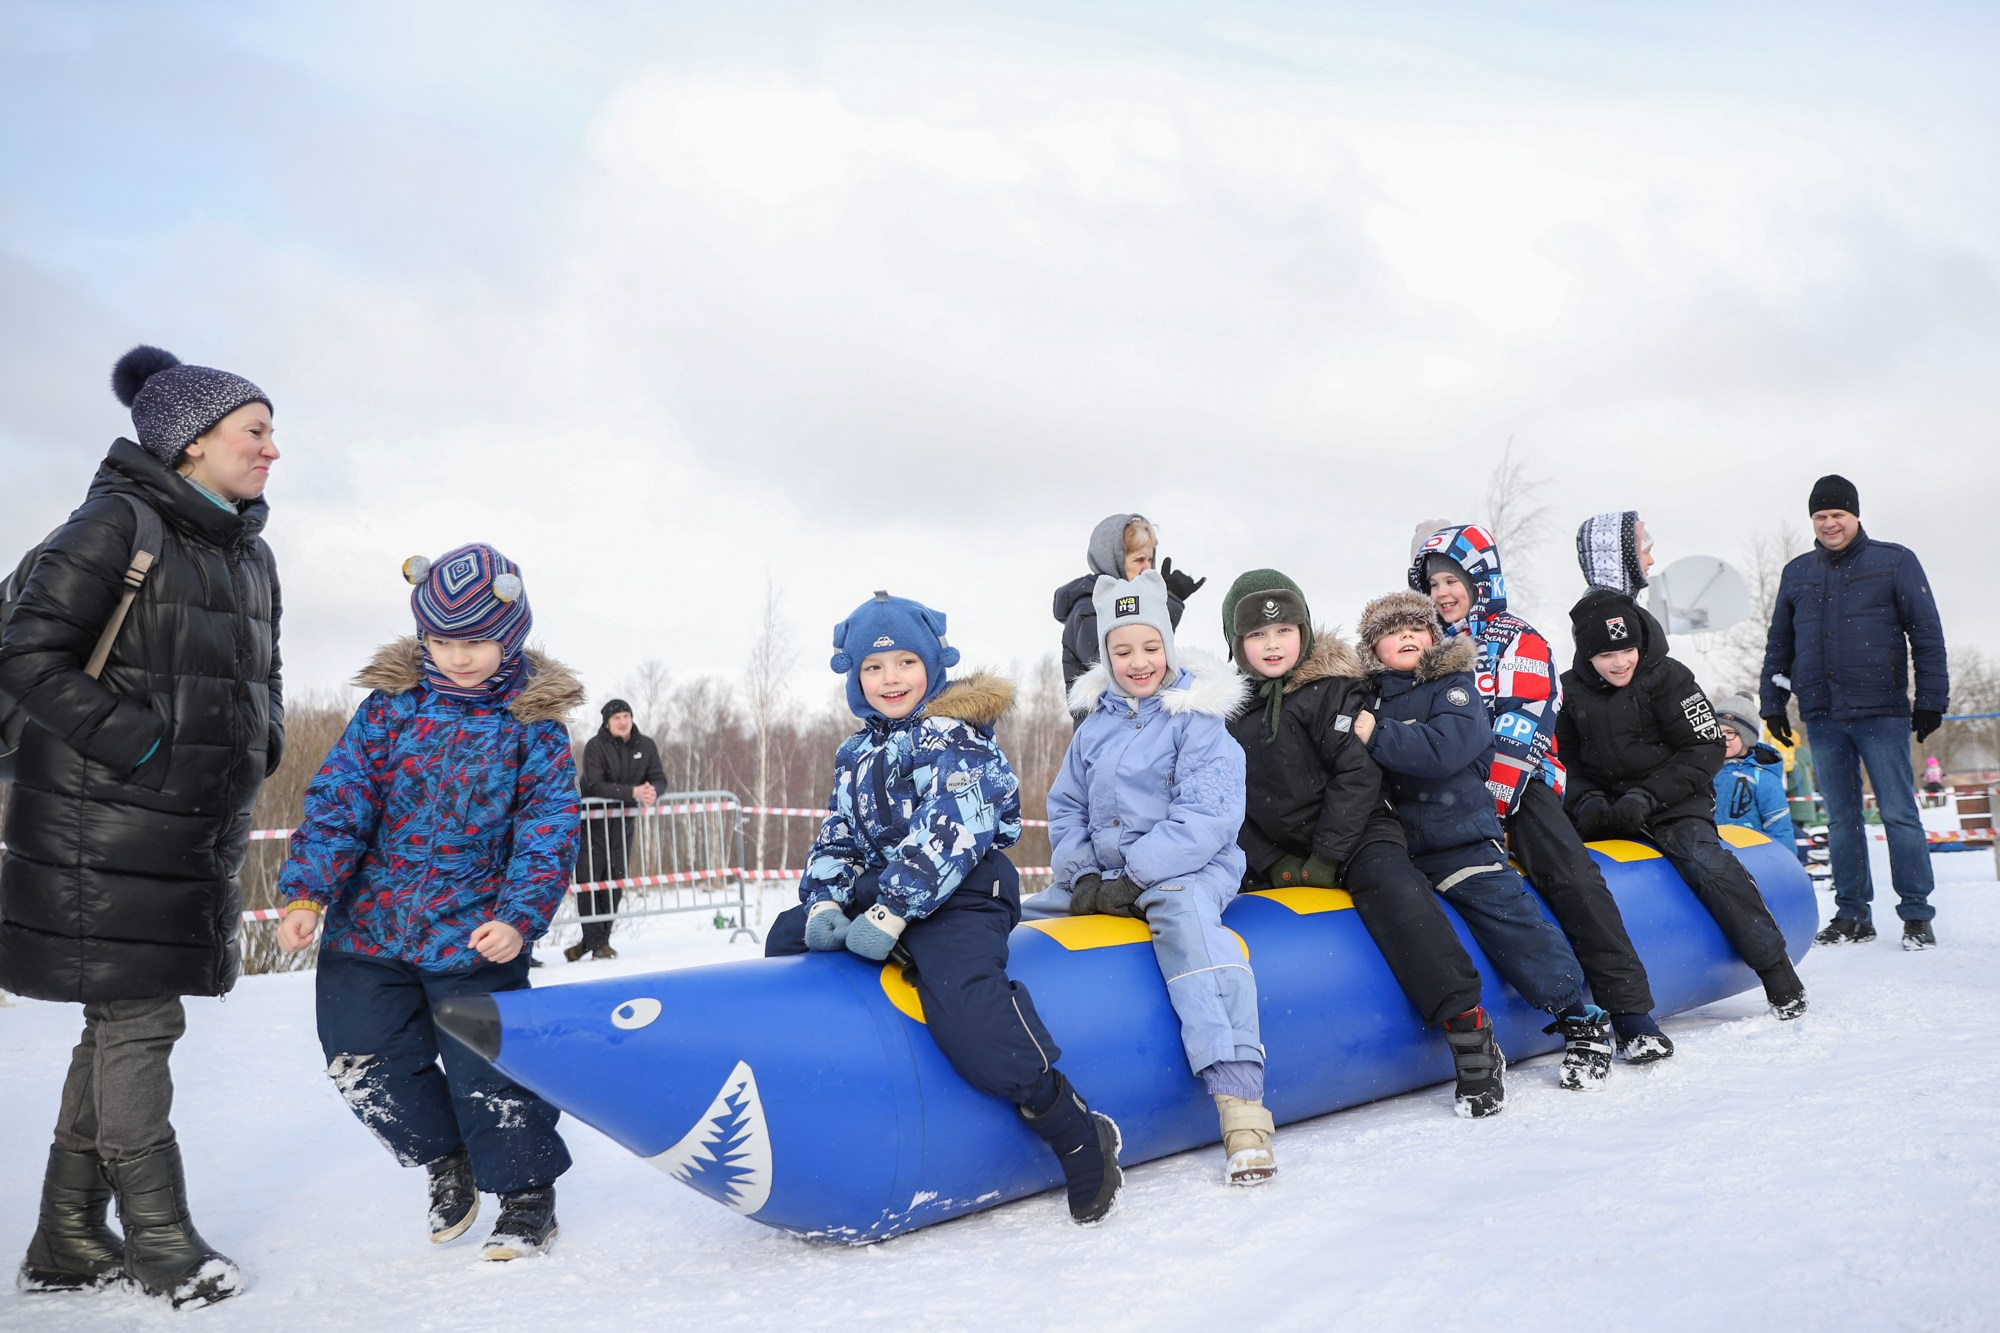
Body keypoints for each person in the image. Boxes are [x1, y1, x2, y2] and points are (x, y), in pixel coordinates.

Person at [1, 346, 282, 1308]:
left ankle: (69, 1231)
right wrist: (147, 748)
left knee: (115, 1022)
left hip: (184, 834)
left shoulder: (248, 551)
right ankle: (161, 1235)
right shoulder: (117, 522)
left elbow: (263, 675)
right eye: (255, 430)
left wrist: (264, 739)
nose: (273, 450)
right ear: (193, 440)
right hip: (101, 830)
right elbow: (26, 656)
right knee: (140, 1020)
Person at [768, 592, 1123, 1224]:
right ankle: (825, 1090)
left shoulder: (955, 735)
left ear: (932, 665)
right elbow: (839, 834)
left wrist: (894, 912)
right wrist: (824, 900)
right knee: (787, 937)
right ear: (855, 679)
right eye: (873, 669)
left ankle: (1070, 1125)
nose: (889, 679)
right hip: (888, 890)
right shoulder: (856, 754)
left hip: (962, 889)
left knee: (964, 997)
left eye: (904, 662)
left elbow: (953, 824)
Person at [274, 543, 582, 1261]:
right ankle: (450, 1159)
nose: (457, 656)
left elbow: (547, 829)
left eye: (473, 639)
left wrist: (518, 916)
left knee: (491, 1072)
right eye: (440, 640)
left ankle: (528, 1192)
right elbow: (341, 797)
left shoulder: (533, 725)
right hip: (369, 927)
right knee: (362, 1061)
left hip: (474, 932)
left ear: (508, 632)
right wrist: (307, 890)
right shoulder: (392, 707)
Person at [1220, 569, 1503, 1119]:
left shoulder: (1334, 691)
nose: (1272, 644)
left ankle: (1469, 1031)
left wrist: (1327, 854)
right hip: (1277, 854)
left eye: (1283, 631)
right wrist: (1273, 862)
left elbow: (1356, 776)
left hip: (1357, 833)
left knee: (1400, 897)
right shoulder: (1229, 717)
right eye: (1256, 635)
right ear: (1237, 645)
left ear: (1304, 632)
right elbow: (1228, 801)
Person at [1031, 570, 1277, 1181]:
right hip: (1106, 875)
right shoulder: (1094, 727)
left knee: (1190, 931)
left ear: (1168, 647)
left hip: (1186, 870)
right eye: (1122, 650)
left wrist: (1138, 876)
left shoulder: (1198, 721)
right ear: (1106, 656)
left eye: (1149, 647)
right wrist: (1084, 876)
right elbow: (1065, 807)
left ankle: (1240, 1104)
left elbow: (1209, 814)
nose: (1137, 661)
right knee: (1026, 913)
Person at [1412, 524, 1672, 1062]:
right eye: (1432, 583)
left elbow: (1522, 724)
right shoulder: (1421, 648)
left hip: (1516, 782)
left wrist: (1491, 807)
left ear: (1478, 577)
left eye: (1451, 579)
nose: (1441, 593)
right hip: (1441, 793)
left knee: (1570, 873)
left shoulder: (1515, 637)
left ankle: (1629, 1011)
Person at [1355, 591, 1613, 1089]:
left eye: (1417, 628)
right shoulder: (1365, 701)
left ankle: (1579, 1016)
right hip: (1401, 849)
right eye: (1392, 631)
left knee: (1511, 920)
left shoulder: (1453, 687)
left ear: (1434, 638)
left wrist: (1379, 735)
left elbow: (1444, 751)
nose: (1407, 636)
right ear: (1372, 649)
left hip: (1460, 840)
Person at [1559, 589, 1807, 1020]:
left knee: (1707, 864)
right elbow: (1564, 761)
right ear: (1586, 654)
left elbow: (1704, 748)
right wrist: (1586, 800)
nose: (1619, 663)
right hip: (1602, 807)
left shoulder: (1670, 677)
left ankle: (1776, 970)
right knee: (1560, 867)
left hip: (1673, 803)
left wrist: (1648, 795)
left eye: (1627, 650)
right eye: (1604, 655)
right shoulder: (1569, 691)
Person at [1760, 475, 1948, 950]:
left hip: (1881, 710)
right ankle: (1852, 915)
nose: (1828, 524)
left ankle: (1916, 915)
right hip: (1822, 713)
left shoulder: (1894, 561)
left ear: (1855, 515)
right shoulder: (1797, 572)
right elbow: (1780, 644)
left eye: (1837, 515)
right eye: (1820, 517)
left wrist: (1930, 700)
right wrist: (1773, 702)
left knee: (1899, 813)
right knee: (1841, 819)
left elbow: (1926, 634)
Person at [1052, 513, 1204, 695]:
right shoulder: (1090, 609)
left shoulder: (1124, 605)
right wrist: (1170, 601)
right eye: (1139, 560)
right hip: (1105, 720)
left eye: (1150, 559)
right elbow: (1120, 669)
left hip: (1133, 718)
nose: (1147, 568)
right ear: (1112, 559)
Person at [570, 698, 667, 962]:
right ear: (607, 722)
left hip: (623, 825)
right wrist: (633, 792)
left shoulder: (645, 745)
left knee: (615, 882)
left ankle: (599, 941)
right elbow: (596, 784)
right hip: (592, 824)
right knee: (590, 881)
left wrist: (652, 791)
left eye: (626, 715)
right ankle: (595, 941)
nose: (623, 721)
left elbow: (659, 777)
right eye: (617, 718)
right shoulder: (595, 746)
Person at [1711, 694, 1801, 860]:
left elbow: (1779, 827)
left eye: (1730, 732)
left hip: (1755, 860)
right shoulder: (1706, 773)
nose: (1723, 739)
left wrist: (1786, 865)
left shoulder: (1763, 776)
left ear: (1747, 736)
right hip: (1714, 862)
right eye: (1718, 732)